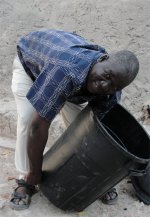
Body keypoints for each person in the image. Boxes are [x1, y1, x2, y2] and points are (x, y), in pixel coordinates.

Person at [9, 29, 139, 210]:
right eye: (107, 76)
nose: (104, 86)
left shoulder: (111, 89)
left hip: (71, 82)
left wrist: (107, 177)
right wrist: (35, 173)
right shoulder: (66, 69)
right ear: (102, 59)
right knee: (28, 119)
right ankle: (27, 179)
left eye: (114, 85)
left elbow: (102, 132)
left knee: (87, 125)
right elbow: (37, 127)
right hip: (31, 67)